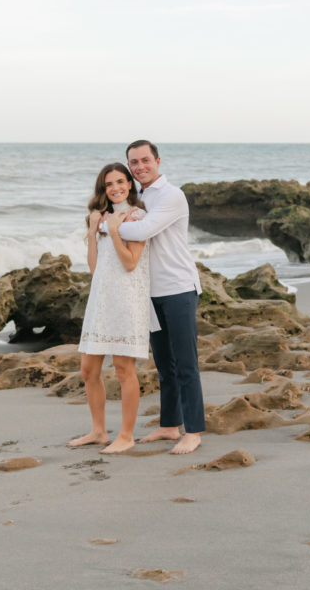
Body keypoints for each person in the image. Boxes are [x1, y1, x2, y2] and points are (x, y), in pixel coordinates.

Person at [111, 140, 205, 456]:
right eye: (133, 163)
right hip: (149, 293)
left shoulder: (171, 196)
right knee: (164, 365)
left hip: (178, 288)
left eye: (145, 160)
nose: (139, 167)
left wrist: (107, 227)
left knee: (186, 364)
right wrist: (116, 221)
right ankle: (168, 426)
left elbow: (142, 231)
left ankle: (193, 431)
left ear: (158, 161)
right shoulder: (141, 197)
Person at [67, 163, 150, 454]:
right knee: (88, 368)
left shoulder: (137, 217)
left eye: (120, 181)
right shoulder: (102, 219)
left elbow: (130, 263)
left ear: (130, 184)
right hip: (101, 300)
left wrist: (115, 231)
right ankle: (99, 431)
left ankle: (126, 436)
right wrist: (93, 230)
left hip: (127, 301)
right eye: (108, 184)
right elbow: (94, 267)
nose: (115, 188)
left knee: (123, 368)